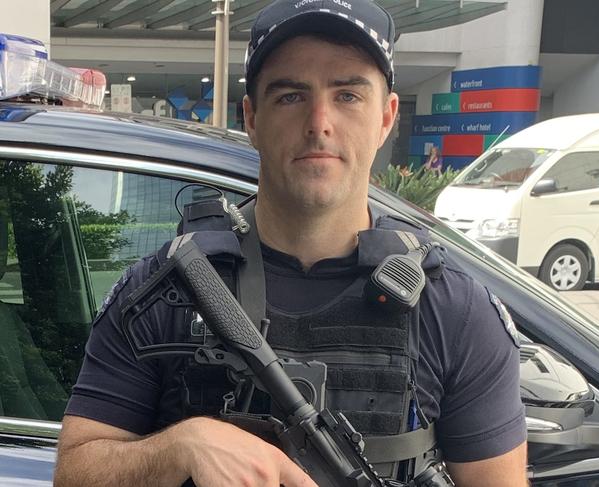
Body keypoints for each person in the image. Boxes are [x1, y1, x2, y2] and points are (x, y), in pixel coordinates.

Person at [54, 1, 527, 486]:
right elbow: (74, 475)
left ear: (386, 117)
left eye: (347, 95)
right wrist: (181, 445)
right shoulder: (165, 290)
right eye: (290, 96)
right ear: (252, 118)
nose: (319, 121)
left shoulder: (453, 309)